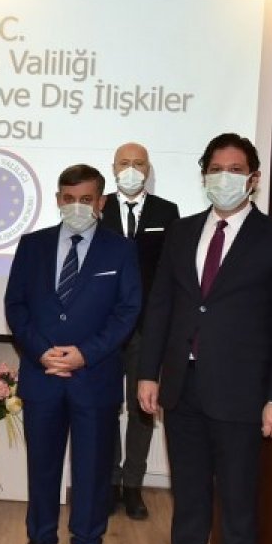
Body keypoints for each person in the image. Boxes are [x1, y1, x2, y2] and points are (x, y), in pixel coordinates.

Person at [135, 133, 272, 544]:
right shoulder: (182, 232)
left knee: (237, 505)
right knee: (188, 499)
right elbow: (162, 305)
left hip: (242, 396)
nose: (224, 177)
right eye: (215, 169)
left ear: (253, 178)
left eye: (235, 170)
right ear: (204, 176)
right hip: (182, 390)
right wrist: (148, 372)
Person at [5, 163, 142, 544]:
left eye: (86, 199)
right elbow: (15, 306)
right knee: (42, 466)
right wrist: (40, 350)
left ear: (101, 202)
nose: (76, 206)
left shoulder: (120, 250)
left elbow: (127, 312)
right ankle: (40, 541)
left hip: (94, 378)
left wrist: (85, 354)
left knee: (92, 471)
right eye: (69, 198)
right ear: (57, 199)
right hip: (42, 374)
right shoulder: (32, 245)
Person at [100, 142, 180, 520]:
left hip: (147, 328)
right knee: (105, 405)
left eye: (138, 163)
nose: (131, 169)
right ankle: (109, 482)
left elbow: (170, 273)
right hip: (104, 327)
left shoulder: (167, 211)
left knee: (142, 409)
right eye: (124, 163)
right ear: (113, 167)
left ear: (148, 169)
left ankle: (133, 485)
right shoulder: (98, 208)